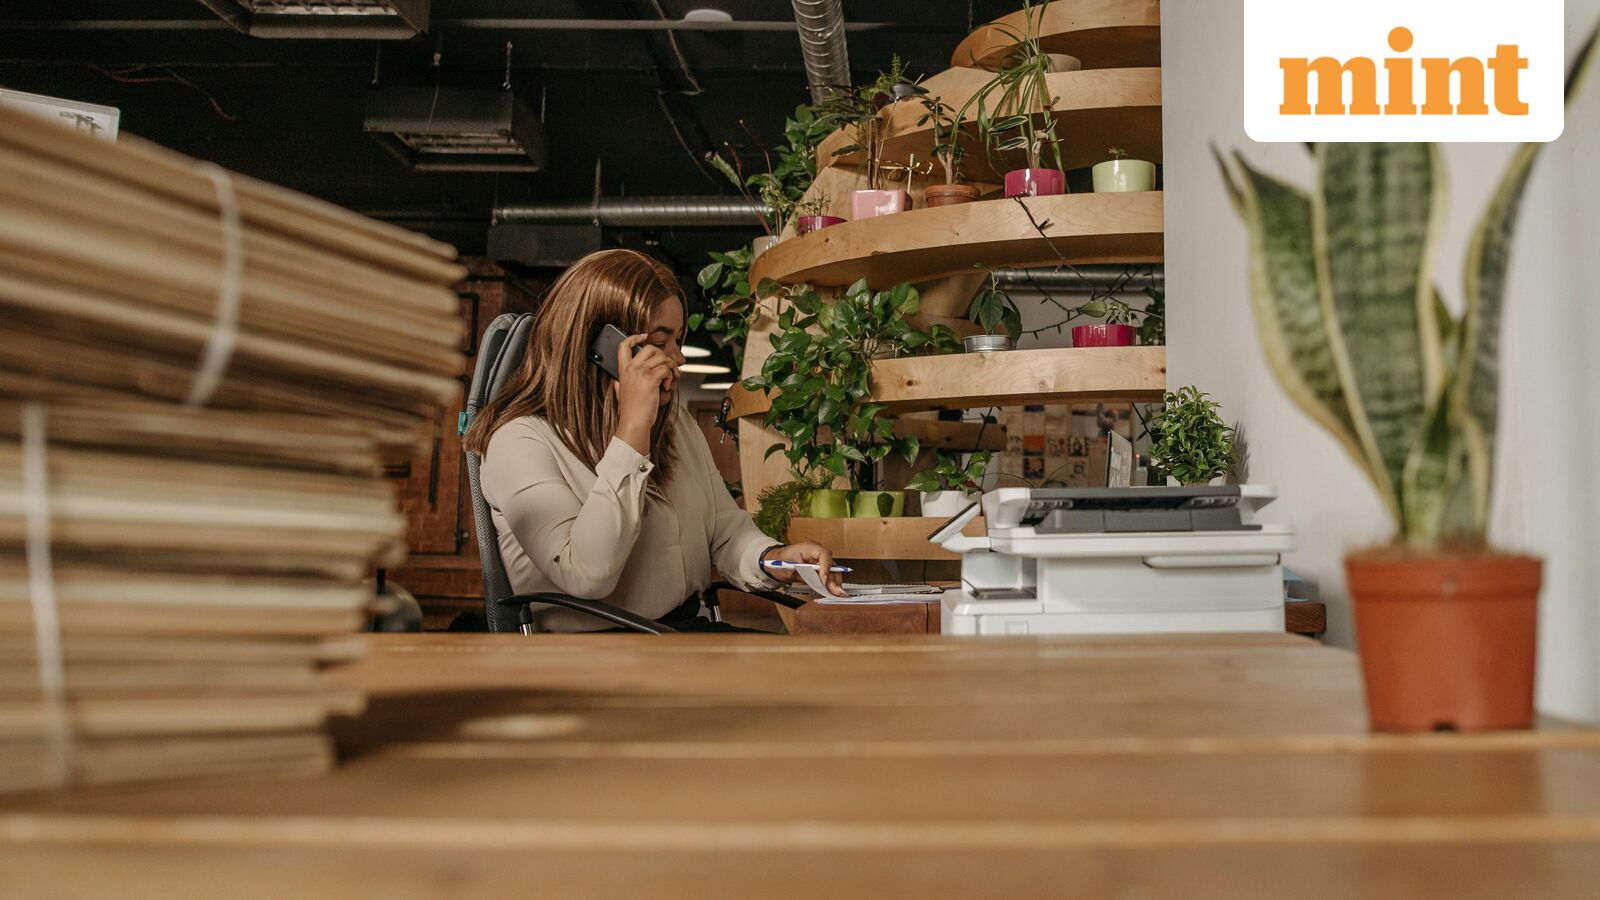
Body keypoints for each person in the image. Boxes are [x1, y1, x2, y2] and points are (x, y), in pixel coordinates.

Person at [463, 249, 845, 632]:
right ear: (600, 347)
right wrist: (632, 432)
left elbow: (724, 529)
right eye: (660, 343)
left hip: (681, 635)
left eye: (677, 340)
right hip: (591, 655)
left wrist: (774, 559)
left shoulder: (673, 422)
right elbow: (586, 575)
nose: (677, 357)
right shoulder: (518, 440)